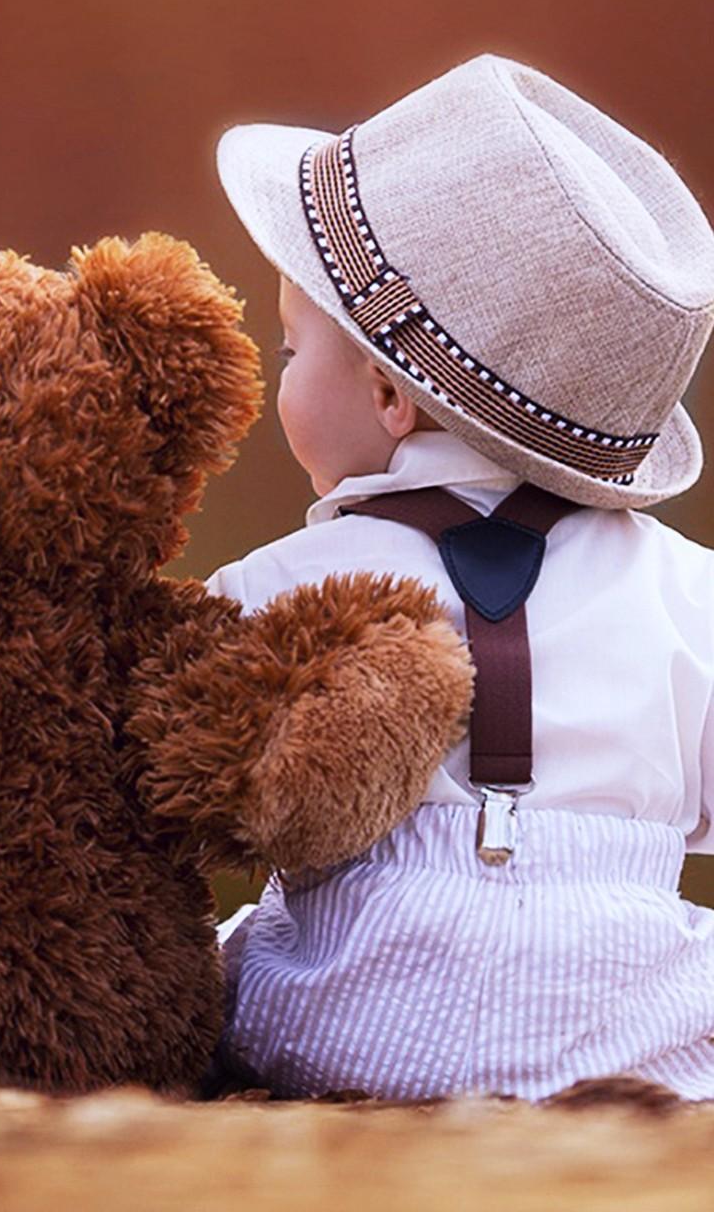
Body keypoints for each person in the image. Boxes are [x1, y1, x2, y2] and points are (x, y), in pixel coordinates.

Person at [207, 54, 714, 1102]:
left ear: (392, 395)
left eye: (292, 348)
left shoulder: (276, 588)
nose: (277, 374)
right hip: (633, 1039)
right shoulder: (687, 592)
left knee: (231, 963)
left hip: (350, 1021)